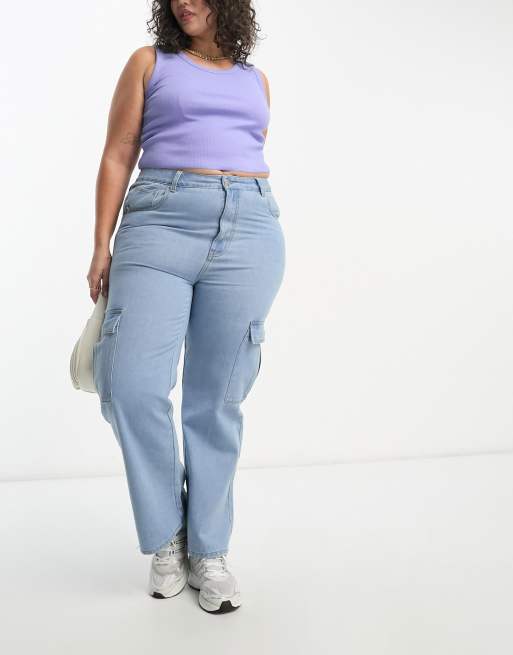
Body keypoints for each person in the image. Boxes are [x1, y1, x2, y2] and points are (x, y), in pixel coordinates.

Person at [87, 0, 285, 614]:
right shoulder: (150, 63)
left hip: (250, 225)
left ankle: (209, 548)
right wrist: (101, 243)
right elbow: (119, 151)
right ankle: (166, 535)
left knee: (217, 398)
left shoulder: (256, 80)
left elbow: (246, 150)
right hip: (161, 221)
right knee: (130, 383)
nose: (184, 2)